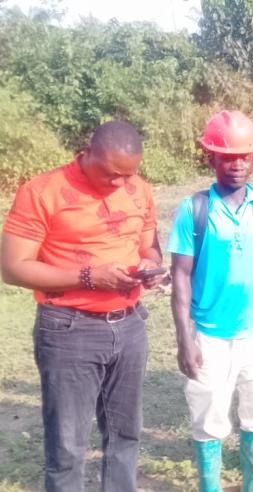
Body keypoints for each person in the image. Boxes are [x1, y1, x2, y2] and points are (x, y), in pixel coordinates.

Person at [1, 121, 163, 490]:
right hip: (69, 328)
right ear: (86, 151)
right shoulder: (43, 192)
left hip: (129, 326)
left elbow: (147, 246)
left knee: (126, 436)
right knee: (68, 446)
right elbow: (12, 268)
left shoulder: (139, 189)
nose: (120, 184)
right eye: (111, 175)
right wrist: (89, 277)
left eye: (128, 175)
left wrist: (150, 266)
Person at [168, 110, 253, 492]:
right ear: (211, 158)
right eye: (227, 156)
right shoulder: (194, 210)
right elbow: (180, 277)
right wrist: (185, 339)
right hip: (208, 336)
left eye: (244, 155)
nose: (236, 164)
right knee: (209, 420)